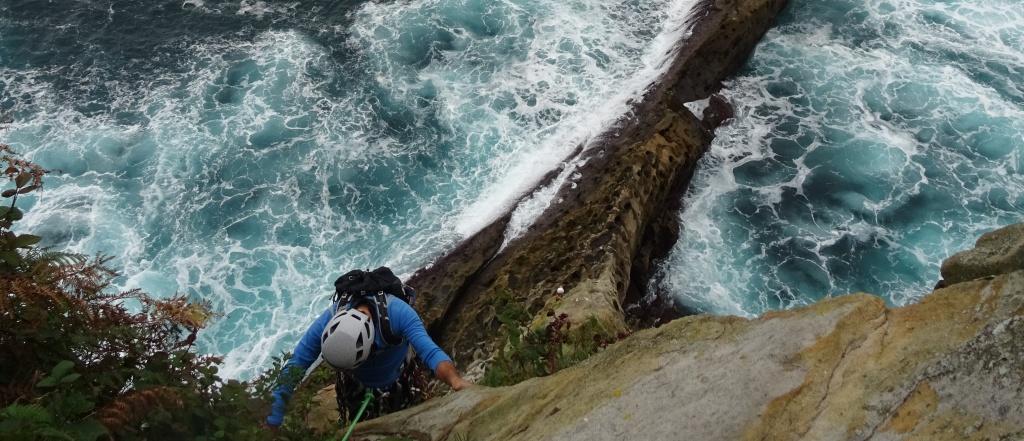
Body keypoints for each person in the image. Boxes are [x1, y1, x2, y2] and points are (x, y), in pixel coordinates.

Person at [265, 273, 470, 428]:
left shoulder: (398, 314)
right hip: (356, 385)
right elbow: (297, 364)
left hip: (400, 378)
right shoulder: (330, 318)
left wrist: (456, 381)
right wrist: (274, 418)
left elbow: (430, 352)